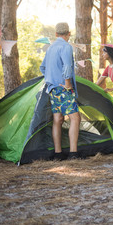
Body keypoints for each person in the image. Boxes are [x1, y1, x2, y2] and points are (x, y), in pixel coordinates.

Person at [40, 22, 82, 160]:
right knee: (75, 117)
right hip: (63, 88)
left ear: (56, 34)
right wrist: (68, 84)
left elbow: (43, 67)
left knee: (57, 119)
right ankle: (73, 153)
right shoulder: (66, 46)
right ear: (69, 34)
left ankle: (58, 153)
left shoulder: (50, 48)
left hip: (52, 88)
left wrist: (50, 79)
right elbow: (67, 67)